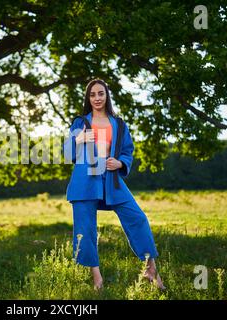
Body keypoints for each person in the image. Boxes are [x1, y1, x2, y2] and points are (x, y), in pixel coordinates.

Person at [63, 79, 165, 291]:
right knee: (86, 230)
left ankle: (151, 269)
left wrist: (120, 163)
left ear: (106, 96)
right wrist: (78, 139)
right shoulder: (80, 123)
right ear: (88, 98)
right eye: (93, 95)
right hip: (85, 183)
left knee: (137, 218)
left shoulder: (118, 123)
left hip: (112, 181)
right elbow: (66, 153)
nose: (97, 98)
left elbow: (127, 151)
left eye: (101, 93)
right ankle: (97, 278)